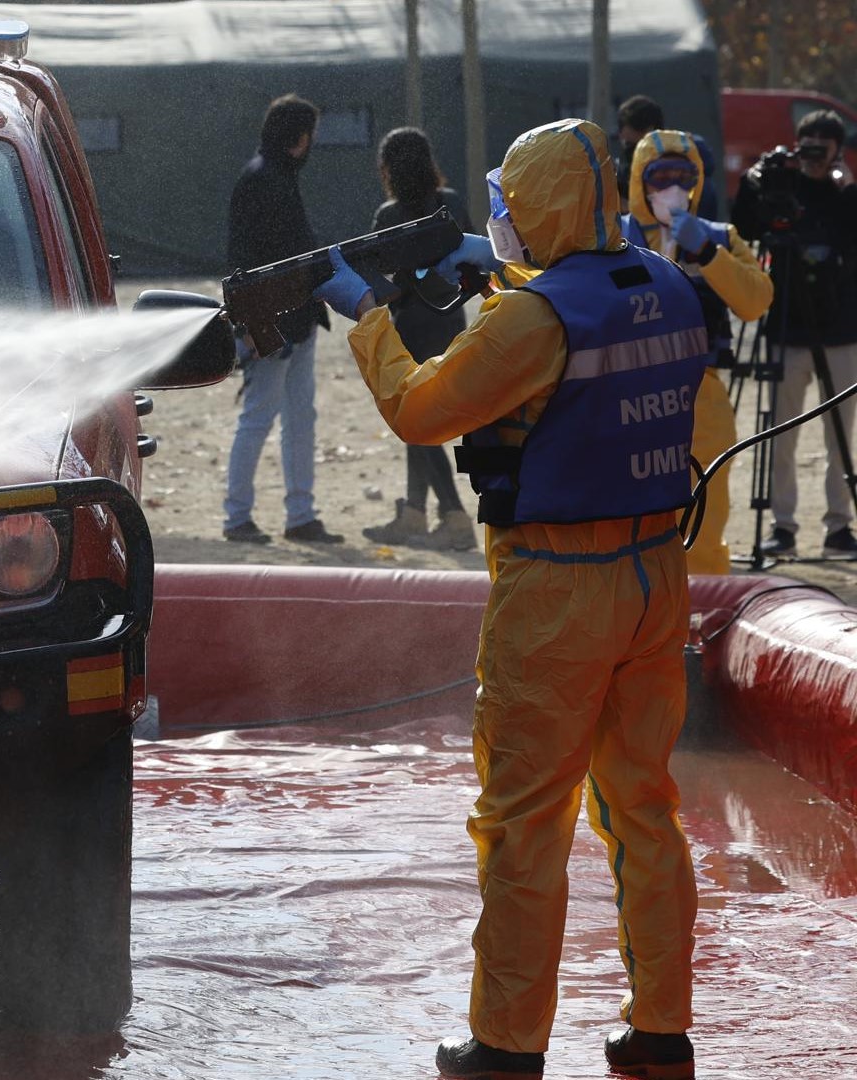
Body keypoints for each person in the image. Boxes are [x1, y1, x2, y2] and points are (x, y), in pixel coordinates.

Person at [311, 118, 707, 1079]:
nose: (502, 219)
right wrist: (502, 279)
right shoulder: (667, 282)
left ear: (542, 207)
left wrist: (365, 312)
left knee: (524, 820)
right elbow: (590, 319)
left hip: (559, 590)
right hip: (656, 576)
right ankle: (661, 1029)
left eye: (512, 205)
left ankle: (506, 1042)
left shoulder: (532, 320)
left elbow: (422, 409)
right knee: (644, 809)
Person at [619, 130, 774, 574]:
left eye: (682, 176)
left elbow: (756, 301)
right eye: (659, 176)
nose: (671, 187)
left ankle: (701, 606)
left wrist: (707, 252)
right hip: (627, 397)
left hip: (700, 397)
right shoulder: (612, 238)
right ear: (640, 181)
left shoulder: (720, 237)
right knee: (630, 524)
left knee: (702, 518)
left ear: (697, 181)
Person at [730, 109, 857, 558]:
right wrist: (753, 181)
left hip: (840, 331)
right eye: (808, 145)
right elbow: (744, 229)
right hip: (787, 328)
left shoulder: (844, 197)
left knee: (840, 438)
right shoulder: (780, 189)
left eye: (823, 147)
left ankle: (839, 527)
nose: (813, 156)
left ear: (838, 150)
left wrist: (847, 186)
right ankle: (782, 526)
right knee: (781, 435)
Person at [221, 94, 343, 545]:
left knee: (299, 419)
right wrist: (252, 327)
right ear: (300, 138)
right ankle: (237, 517)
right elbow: (245, 263)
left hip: (297, 320)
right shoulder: (263, 180)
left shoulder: (272, 176)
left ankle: (300, 516)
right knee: (259, 418)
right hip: (272, 325)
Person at [360, 127, 478, 550]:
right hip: (452, 323)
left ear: (388, 169)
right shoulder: (452, 203)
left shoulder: (389, 215)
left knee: (415, 423)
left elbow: (375, 275)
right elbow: (472, 257)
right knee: (420, 421)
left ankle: (454, 516)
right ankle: (414, 512)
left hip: (410, 327)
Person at [615, 95, 722, 220]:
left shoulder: (689, 179)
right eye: (630, 146)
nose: (637, 156)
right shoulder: (622, 173)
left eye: (643, 147)